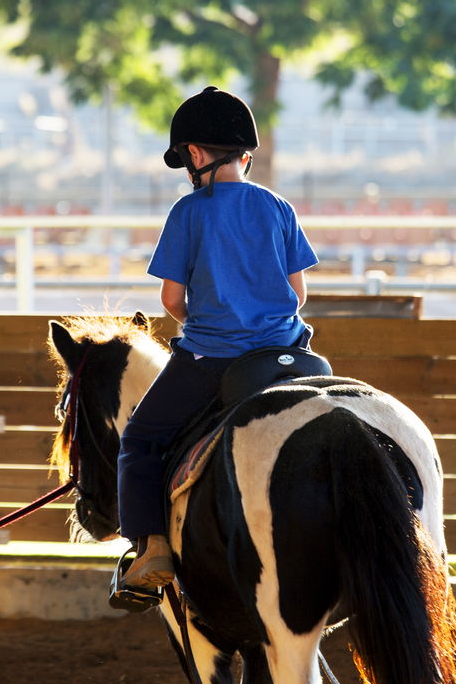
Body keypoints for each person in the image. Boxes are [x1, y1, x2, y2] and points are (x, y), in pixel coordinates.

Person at [117, 86, 320, 590]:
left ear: (194, 155)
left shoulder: (188, 212)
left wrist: (204, 321)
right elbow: (298, 293)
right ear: (245, 156)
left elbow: (169, 299)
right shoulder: (277, 207)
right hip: (289, 354)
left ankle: (154, 550)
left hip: (213, 358)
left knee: (139, 440)